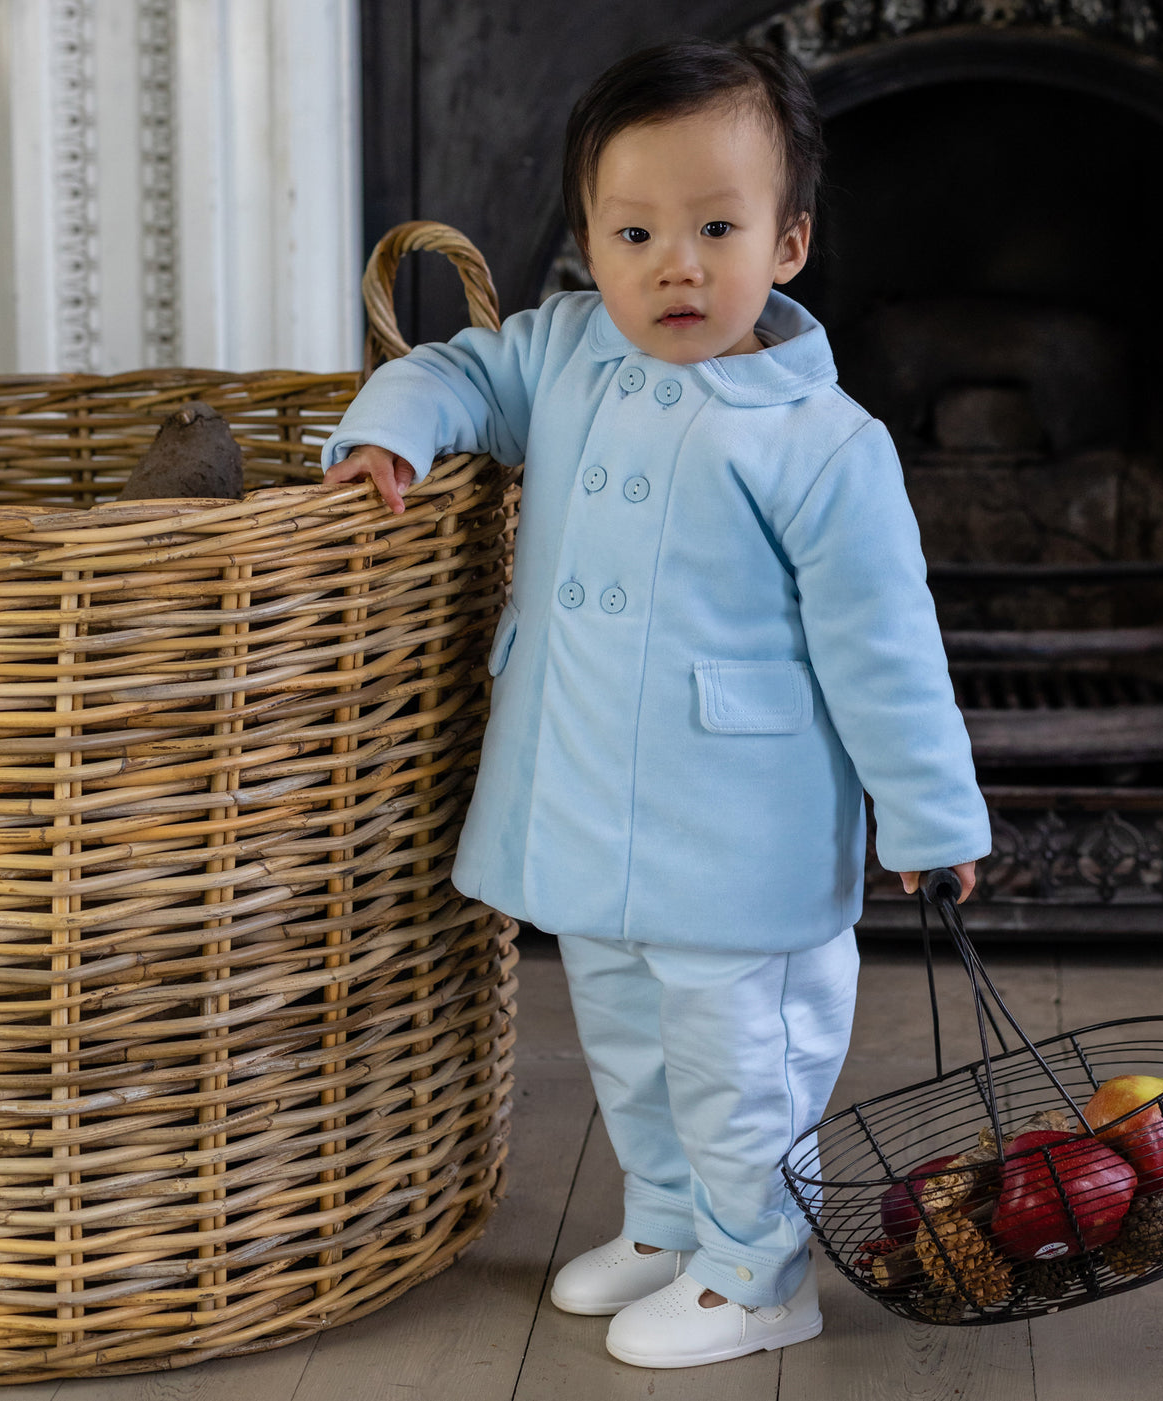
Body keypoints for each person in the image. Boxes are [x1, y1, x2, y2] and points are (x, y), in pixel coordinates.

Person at [322, 39, 990, 1370]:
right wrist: (394, 423)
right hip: (589, 807)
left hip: (740, 832)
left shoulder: (822, 444)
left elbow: (886, 648)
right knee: (628, 1038)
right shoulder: (564, 354)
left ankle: (759, 1268)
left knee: (741, 1059)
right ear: (589, 245)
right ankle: (673, 1220)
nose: (675, 265)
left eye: (717, 229)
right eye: (634, 234)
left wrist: (927, 811)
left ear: (789, 243)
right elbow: (461, 374)